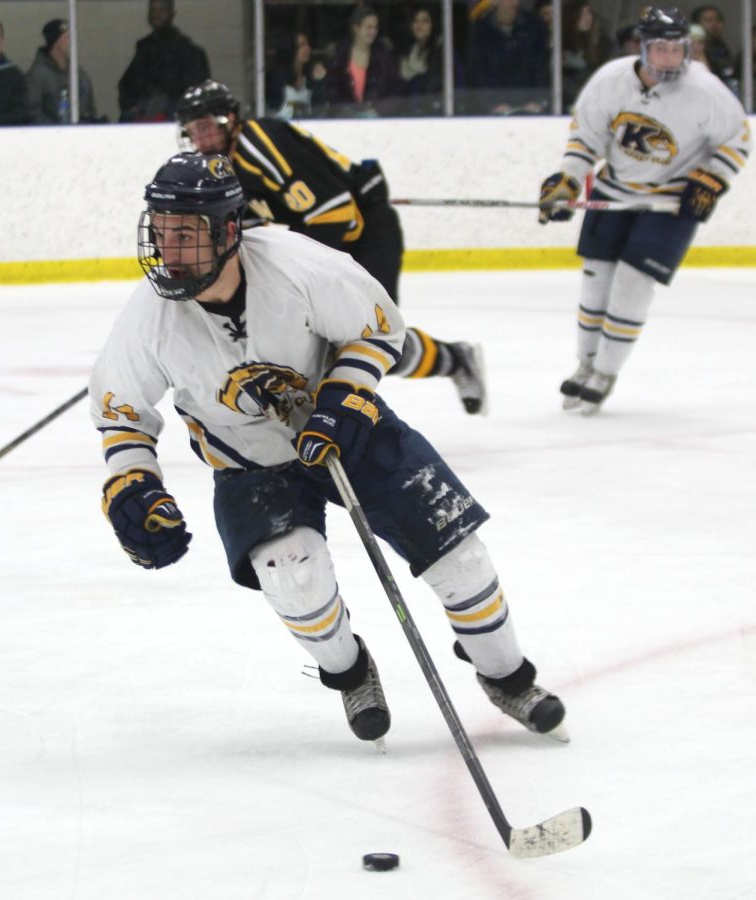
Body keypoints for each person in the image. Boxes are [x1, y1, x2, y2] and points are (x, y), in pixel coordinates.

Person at [89, 151, 568, 746]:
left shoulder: (299, 266)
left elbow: (377, 328)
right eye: (160, 233)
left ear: (229, 230)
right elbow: (123, 418)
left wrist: (342, 398)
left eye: (185, 234)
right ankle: (350, 672)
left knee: (461, 558)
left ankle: (508, 678)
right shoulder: (148, 321)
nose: (168, 250)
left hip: (353, 431)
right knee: (292, 574)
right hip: (250, 463)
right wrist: (133, 486)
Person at [175, 80, 487, 415]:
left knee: (367, 341)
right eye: (193, 131)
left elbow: (338, 212)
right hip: (337, 232)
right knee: (328, 344)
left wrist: (295, 271)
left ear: (230, 119)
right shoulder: (224, 167)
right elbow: (245, 231)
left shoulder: (259, 145)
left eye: (206, 127)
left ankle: (456, 360)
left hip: (364, 233)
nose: (200, 140)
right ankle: (454, 360)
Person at [538, 6, 749, 414]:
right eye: (662, 49)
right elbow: (586, 139)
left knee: (633, 284)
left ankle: (606, 372)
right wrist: (567, 178)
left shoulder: (705, 90)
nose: (671, 58)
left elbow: (736, 141)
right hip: (613, 191)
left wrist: (710, 179)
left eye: (678, 49)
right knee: (596, 282)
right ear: (643, 47)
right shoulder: (611, 80)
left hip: (668, 203)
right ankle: (585, 365)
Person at [118, 0, 210, 122]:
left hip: (174, 122)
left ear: (172, 14)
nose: (156, 15)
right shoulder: (144, 49)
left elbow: (195, 95)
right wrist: (134, 106)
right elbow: (126, 85)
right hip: (142, 121)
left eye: (162, 10)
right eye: (153, 10)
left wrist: (167, 107)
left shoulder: (190, 52)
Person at [470, 0, 550, 114]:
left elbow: (542, 69)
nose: (515, 2)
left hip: (531, 106)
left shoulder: (535, 26)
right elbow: (479, 73)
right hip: (494, 109)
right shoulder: (480, 29)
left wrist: (539, 101)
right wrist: (491, 104)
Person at [325, 5, 402, 116]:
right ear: (356, 28)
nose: (373, 32)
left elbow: (396, 90)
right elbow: (332, 91)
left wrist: (379, 110)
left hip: (376, 118)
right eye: (369, 27)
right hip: (345, 119)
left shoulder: (384, 56)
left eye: (376, 27)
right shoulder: (340, 55)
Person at [25, 19, 100, 125]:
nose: (71, 41)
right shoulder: (37, 76)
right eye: (67, 37)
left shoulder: (78, 73)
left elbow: (90, 108)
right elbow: (32, 113)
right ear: (56, 41)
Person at [560, 0, 612, 112]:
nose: (587, 17)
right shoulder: (560, 46)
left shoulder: (600, 46)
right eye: (582, 13)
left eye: (589, 13)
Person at [265, 31, 328, 119]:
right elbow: (272, 108)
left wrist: (317, 82)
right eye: (302, 45)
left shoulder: (309, 76)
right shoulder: (277, 77)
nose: (308, 48)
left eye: (307, 44)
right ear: (291, 50)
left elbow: (318, 109)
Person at [690, 5, 737, 93]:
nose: (714, 24)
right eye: (708, 21)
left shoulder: (722, 47)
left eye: (718, 20)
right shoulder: (693, 51)